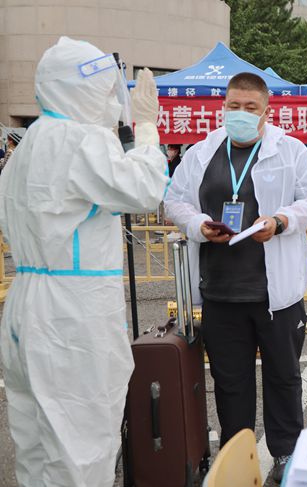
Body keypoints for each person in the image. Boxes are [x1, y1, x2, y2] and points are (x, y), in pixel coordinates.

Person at [0, 37, 168, 486]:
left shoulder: (29, 145)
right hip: (72, 312)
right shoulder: (79, 140)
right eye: (105, 89)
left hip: (27, 302)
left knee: (37, 444)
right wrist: (147, 129)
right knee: (81, 446)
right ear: (82, 89)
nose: (111, 99)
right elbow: (144, 188)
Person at [164, 72, 307, 482]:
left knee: (284, 379)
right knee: (230, 383)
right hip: (220, 292)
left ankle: (286, 455)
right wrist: (199, 225)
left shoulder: (290, 151)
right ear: (223, 107)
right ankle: (238, 458)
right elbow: (175, 201)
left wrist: (282, 220)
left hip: (276, 295)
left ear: (266, 111)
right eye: (233, 106)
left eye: (250, 107)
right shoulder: (201, 153)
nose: (241, 113)